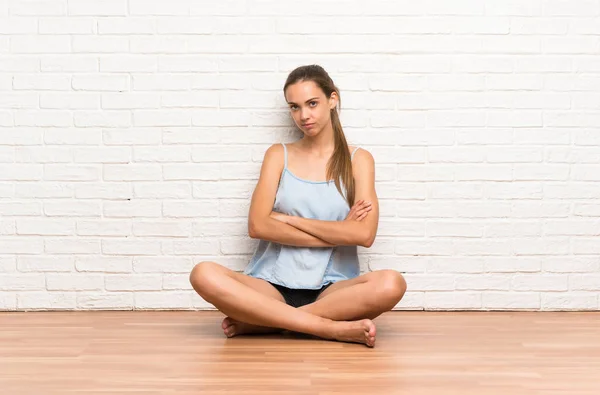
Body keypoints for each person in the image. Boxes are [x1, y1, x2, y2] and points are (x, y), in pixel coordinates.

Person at [189, 65, 407, 347]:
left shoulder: (359, 160)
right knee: (203, 273)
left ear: (333, 99)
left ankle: (266, 323)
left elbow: (364, 235)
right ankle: (327, 329)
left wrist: (289, 220)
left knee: (392, 283)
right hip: (270, 286)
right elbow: (257, 226)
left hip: (332, 290)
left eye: (312, 103)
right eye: (295, 107)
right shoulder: (278, 155)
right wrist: (339, 230)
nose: (304, 116)